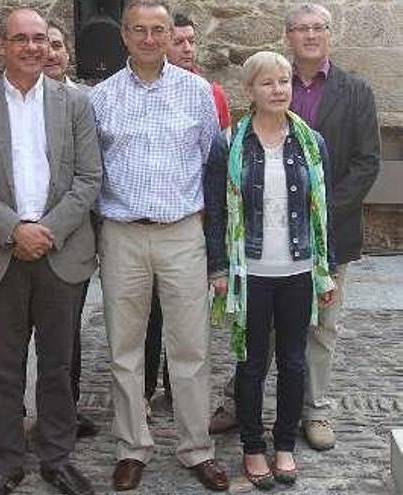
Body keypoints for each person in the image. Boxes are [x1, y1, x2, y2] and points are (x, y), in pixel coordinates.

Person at [208, 4, 382, 448]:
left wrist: (315, 215)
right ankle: (237, 403)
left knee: (322, 328)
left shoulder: (356, 91)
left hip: (328, 236)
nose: (310, 35)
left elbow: (366, 165)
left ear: (329, 34)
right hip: (263, 243)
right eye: (301, 28)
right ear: (287, 36)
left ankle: (315, 410)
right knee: (257, 328)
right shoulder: (267, 89)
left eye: (318, 27)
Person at [0, 8, 101, 495]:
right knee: (5, 365)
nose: (33, 47)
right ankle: (7, 460)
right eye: (21, 39)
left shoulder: (74, 102)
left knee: (59, 364)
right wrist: (14, 230)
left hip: (62, 251)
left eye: (40, 38)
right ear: (1, 45)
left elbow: (89, 178)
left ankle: (56, 457)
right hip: (3, 253)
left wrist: (47, 231)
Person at [89, 0, 228, 491]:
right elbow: (92, 173)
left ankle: (196, 448)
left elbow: (215, 172)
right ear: (123, 35)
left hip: (182, 234)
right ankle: (132, 447)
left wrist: (217, 249)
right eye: (139, 30)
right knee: (124, 349)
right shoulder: (100, 98)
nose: (149, 39)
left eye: (159, 30)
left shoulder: (198, 94)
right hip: (123, 233)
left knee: (190, 347)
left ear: (172, 35)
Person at [206, 50, 336, 489]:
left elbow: (322, 212)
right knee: (251, 364)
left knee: (295, 363)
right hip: (251, 274)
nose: (278, 89)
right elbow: (219, 214)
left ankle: (284, 446)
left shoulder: (312, 142)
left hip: (299, 271)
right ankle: (253, 447)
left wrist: (325, 270)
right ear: (251, 91)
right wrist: (219, 268)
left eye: (283, 81)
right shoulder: (229, 144)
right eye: (268, 83)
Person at [143, 10, 235, 417]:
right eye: (178, 40)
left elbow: (218, 162)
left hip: (192, 220)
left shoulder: (210, 93)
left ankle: (176, 388)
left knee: (185, 316)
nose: (186, 48)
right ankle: (145, 388)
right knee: (149, 315)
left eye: (191, 41)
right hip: (148, 221)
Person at [42, 19, 99, 441]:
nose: (50, 53)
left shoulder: (87, 102)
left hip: (72, 234)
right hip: (19, 237)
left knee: (67, 334)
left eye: (58, 45)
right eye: (44, 45)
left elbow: (91, 173)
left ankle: (66, 410)